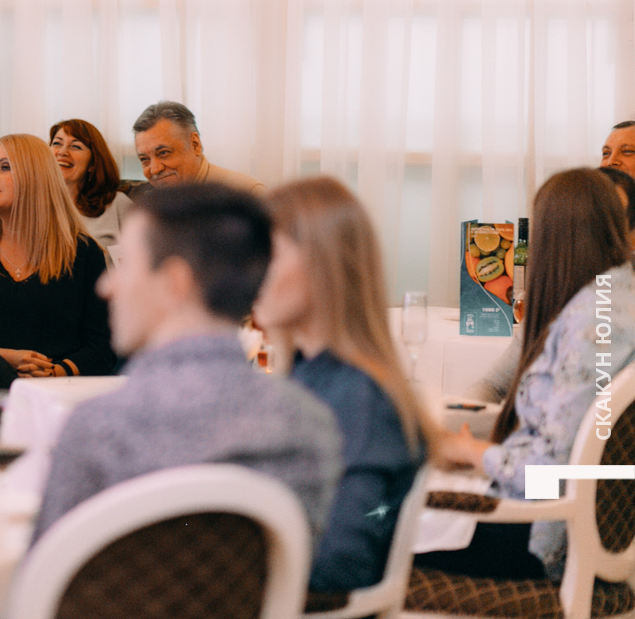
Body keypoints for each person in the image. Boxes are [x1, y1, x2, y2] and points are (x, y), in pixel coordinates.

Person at [32, 183, 341, 543]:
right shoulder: (311, 426)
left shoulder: (98, 429)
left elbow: (44, 571)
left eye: (124, 265)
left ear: (173, 282)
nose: (106, 286)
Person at [423, 168, 635, 581]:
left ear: (552, 239)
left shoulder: (591, 325)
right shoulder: (618, 299)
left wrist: (470, 451)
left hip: (541, 541)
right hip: (587, 530)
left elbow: (549, 472)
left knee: (367, 525)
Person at [253, 176, 433, 592]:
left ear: (322, 264)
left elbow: (341, 562)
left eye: (267, 254)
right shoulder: (310, 377)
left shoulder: (359, 397)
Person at [0, 134, 116, 430]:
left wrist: (54, 373)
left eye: (4, 167)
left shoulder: (84, 254)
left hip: (59, 390)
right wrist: (7, 357)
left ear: (37, 176)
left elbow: (103, 346)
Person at [465, 166, 635, 405]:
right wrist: (466, 416)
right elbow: (493, 384)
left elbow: (568, 425)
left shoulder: (601, 316)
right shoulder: (554, 300)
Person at [132, 101, 265, 192]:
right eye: (144, 159)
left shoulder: (245, 194)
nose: (154, 169)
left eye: (163, 153)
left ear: (195, 145)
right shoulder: (147, 202)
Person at [49, 119, 134, 249]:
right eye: (57, 143)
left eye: (75, 146)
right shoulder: (31, 203)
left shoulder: (117, 204)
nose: (62, 152)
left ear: (92, 164)